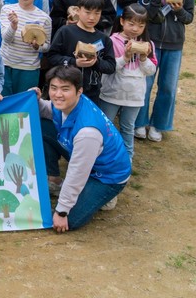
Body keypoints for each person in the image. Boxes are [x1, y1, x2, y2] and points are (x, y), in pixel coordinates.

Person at [36, 65, 131, 232]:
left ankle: (106, 195)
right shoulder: (67, 104)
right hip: (87, 156)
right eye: (53, 88)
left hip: (106, 176)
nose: (58, 94)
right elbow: (46, 109)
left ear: (79, 91)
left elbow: (77, 172)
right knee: (42, 124)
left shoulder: (88, 132)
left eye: (65, 89)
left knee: (68, 221)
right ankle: (55, 181)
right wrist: (34, 100)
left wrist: (62, 210)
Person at [120, 0, 194, 142]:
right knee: (145, 83)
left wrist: (178, 10)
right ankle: (140, 122)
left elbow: (188, 18)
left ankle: (159, 125)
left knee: (168, 87)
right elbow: (145, 16)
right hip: (150, 41)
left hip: (174, 43)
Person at [98, 4, 156, 160]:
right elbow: (109, 67)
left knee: (128, 127)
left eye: (141, 25)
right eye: (131, 24)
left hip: (134, 95)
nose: (135, 29)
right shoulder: (112, 41)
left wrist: (143, 58)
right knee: (107, 125)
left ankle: (127, 158)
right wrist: (125, 57)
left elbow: (150, 71)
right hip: (112, 92)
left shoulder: (148, 44)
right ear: (122, 21)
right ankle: (104, 156)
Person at [46, 0, 116, 104]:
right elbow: (52, 57)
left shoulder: (104, 39)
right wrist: (74, 62)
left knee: (86, 121)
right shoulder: (65, 31)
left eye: (97, 13)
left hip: (91, 93)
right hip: (64, 90)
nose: (92, 17)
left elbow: (111, 67)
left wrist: (96, 62)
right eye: (87, 12)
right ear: (78, 10)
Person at [0, 0, 52, 95]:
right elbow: (6, 39)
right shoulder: (7, 10)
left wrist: (37, 46)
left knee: (23, 105)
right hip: (5, 64)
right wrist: (14, 25)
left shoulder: (44, 18)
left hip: (29, 68)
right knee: (4, 101)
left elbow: (47, 46)